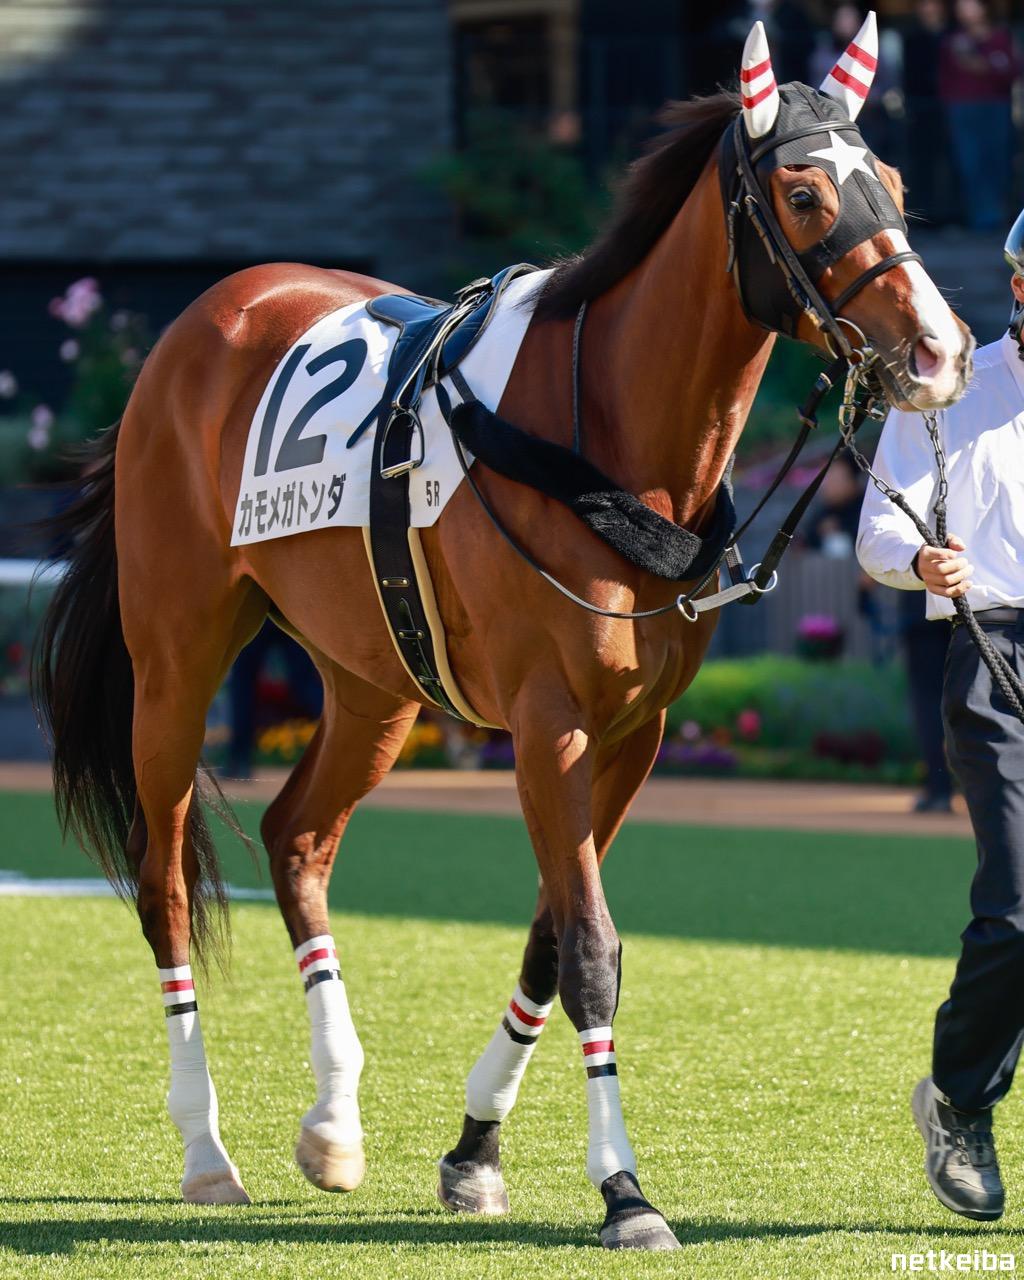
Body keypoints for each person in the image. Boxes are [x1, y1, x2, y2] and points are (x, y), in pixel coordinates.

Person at [855, 209, 1024, 1221]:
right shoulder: (947, 387)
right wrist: (921, 559)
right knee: (1019, 905)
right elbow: (878, 529)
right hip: (993, 651)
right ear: (1019, 287)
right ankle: (960, 1102)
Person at [940, 0, 1019, 231]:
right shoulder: (952, 41)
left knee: (997, 159)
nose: (965, 11)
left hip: (995, 106)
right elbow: (945, 78)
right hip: (962, 108)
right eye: (961, 6)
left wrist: (980, 64)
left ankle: (999, 215)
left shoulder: (1000, 38)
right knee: (969, 162)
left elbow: (1011, 71)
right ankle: (979, 218)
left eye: (970, 5)